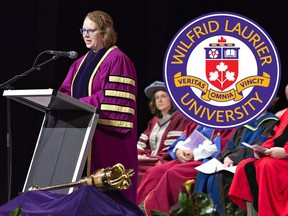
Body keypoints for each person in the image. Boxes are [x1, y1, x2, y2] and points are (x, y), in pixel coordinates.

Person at [58, 10, 138, 202]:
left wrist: (78, 104)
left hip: (106, 138)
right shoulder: (79, 63)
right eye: (83, 30)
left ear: (104, 32)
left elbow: (114, 101)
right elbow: (64, 92)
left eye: (90, 30)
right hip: (80, 134)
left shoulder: (118, 60)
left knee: (104, 200)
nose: (85, 35)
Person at [194, 106, 279, 215]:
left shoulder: (271, 122)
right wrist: (225, 157)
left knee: (219, 177)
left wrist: (233, 158)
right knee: (203, 173)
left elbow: (259, 147)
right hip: (231, 162)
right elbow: (230, 145)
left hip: (247, 163)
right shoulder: (246, 122)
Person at [137, 122, 236, 215]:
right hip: (185, 158)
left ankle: (151, 212)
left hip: (204, 161)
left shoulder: (228, 122)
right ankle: (137, 208)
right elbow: (182, 138)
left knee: (173, 174)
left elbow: (222, 149)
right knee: (154, 172)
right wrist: (178, 150)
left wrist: (195, 153)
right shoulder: (200, 117)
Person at [228, 108, 288, 215]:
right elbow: (273, 136)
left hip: (284, 159)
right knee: (244, 165)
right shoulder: (286, 114)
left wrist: (285, 152)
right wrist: (264, 149)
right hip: (278, 157)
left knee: (266, 165)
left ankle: (268, 212)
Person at [137, 81, 190, 185]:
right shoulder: (154, 121)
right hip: (150, 160)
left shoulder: (179, 118)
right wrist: (140, 155)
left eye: (163, 96)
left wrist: (150, 158)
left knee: (135, 167)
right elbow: (142, 143)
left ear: (171, 99)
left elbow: (172, 148)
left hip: (166, 161)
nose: (160, 100)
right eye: (157, 97)